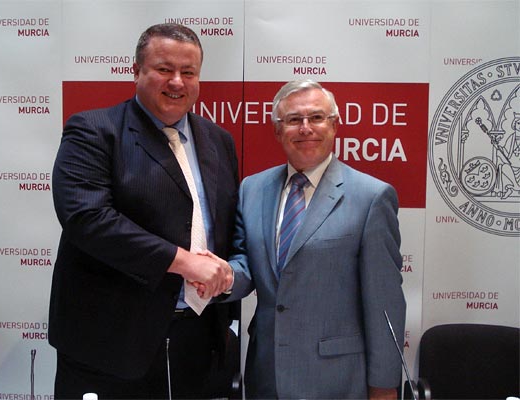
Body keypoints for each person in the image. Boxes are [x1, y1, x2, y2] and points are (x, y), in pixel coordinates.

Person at [48, 23, 238, 399]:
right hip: (110, 343)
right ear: (136, 71)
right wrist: (184, 262)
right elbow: (87, 219)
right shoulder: (93, 130)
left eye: (189, 72)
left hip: (197, 341)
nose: (177, 82)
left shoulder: (219, 140)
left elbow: (224, 226)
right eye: (164, 69)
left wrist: (228, 274)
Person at [206, 80, 406, 399]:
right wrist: (225, 277)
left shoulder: (371, 197)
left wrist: (383, 385)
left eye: (316, 117)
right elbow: (247, 266)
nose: (305, 128)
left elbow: (384, 301)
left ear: (334, 125)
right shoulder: (252, 189)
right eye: (293, 119)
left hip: (336, 379)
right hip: (267, 373)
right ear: (277, 130)